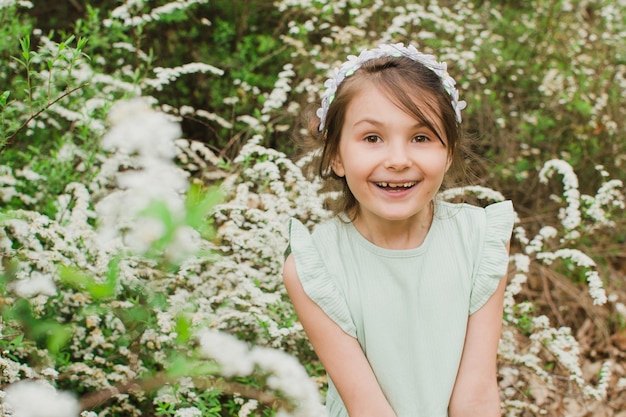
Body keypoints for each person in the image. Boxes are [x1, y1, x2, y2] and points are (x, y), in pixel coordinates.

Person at [283, 43, 514, 417]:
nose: (397, 160)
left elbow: (477, 396)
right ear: (337, 155)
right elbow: (367, 408)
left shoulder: (480, 242)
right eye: (371, 138)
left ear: (449, 151)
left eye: (421, 137)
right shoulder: (314, 268)